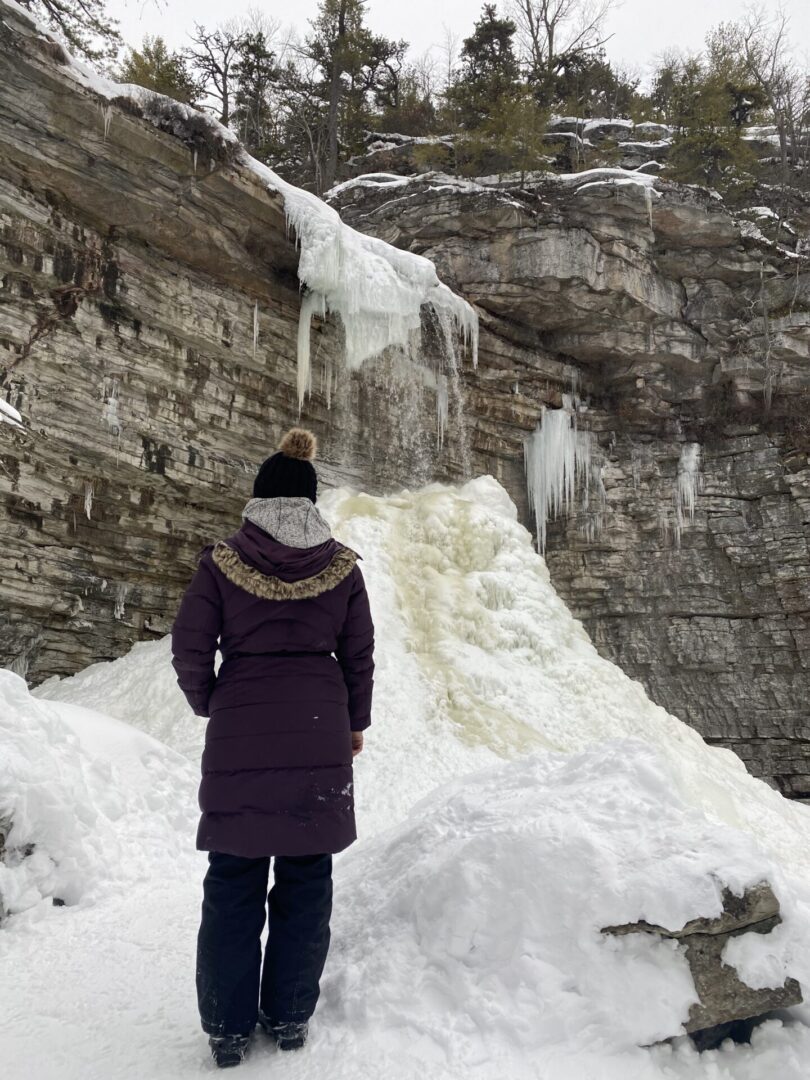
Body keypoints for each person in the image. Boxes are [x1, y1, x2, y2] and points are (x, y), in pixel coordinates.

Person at [170, 427, 375, 1069]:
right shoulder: (340, 565)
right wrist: (354, 723)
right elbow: (360, 655)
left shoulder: (221, 560)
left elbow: (190, 646)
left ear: (258, 498)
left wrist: (211, 702)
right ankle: (289, 1017)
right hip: (320, 725)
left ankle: (227, 1029)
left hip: (241, 727)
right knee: (307, 878)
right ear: (312, 502)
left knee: (233, 878)